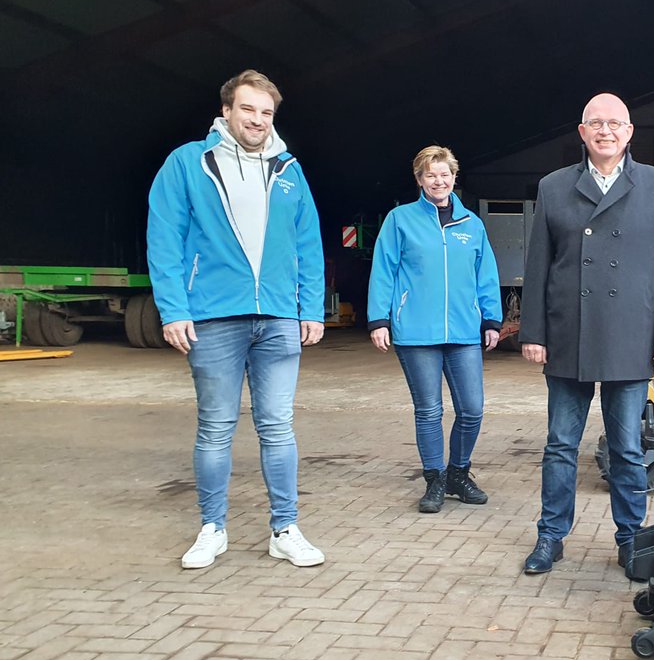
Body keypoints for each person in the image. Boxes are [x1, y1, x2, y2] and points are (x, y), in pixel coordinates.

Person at [147, 69, 327, 570]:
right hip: (213, 316)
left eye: (267, 113)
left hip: (276, 318)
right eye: (249, 109)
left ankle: (285, 528)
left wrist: (309, 308)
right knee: (215, 429)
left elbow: (308, 243)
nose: (258, 120)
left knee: (278, 427)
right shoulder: (188, 163)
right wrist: (173, 308)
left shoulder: (289, 169)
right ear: (226, 110)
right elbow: (163, 238)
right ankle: (212, 528)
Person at [520, 93, 654, 573]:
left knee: (628, 447)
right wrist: (533, 331)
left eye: (615, 123)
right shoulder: (554, 187)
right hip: (568, 331)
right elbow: (538, 268)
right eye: (596, 123)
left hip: (630, 333)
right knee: (559, 445)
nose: (606, 131)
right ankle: (550, 536)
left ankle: (631, 539)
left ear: (630, 131)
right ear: (582, 132)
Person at [367, 145, 502, 513]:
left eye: (445, 174)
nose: (438, 181)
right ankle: (435, 479)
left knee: (472, 409)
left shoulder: (472, 225)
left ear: (454, 178)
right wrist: (379, 319)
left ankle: (459, 473)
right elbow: (384, 269)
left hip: (463, 332)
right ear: (420, 179)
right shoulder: (400, 220)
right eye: (431, 175)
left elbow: (486, 275)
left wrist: (491, 319)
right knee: (428, 410)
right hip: (416, 332)